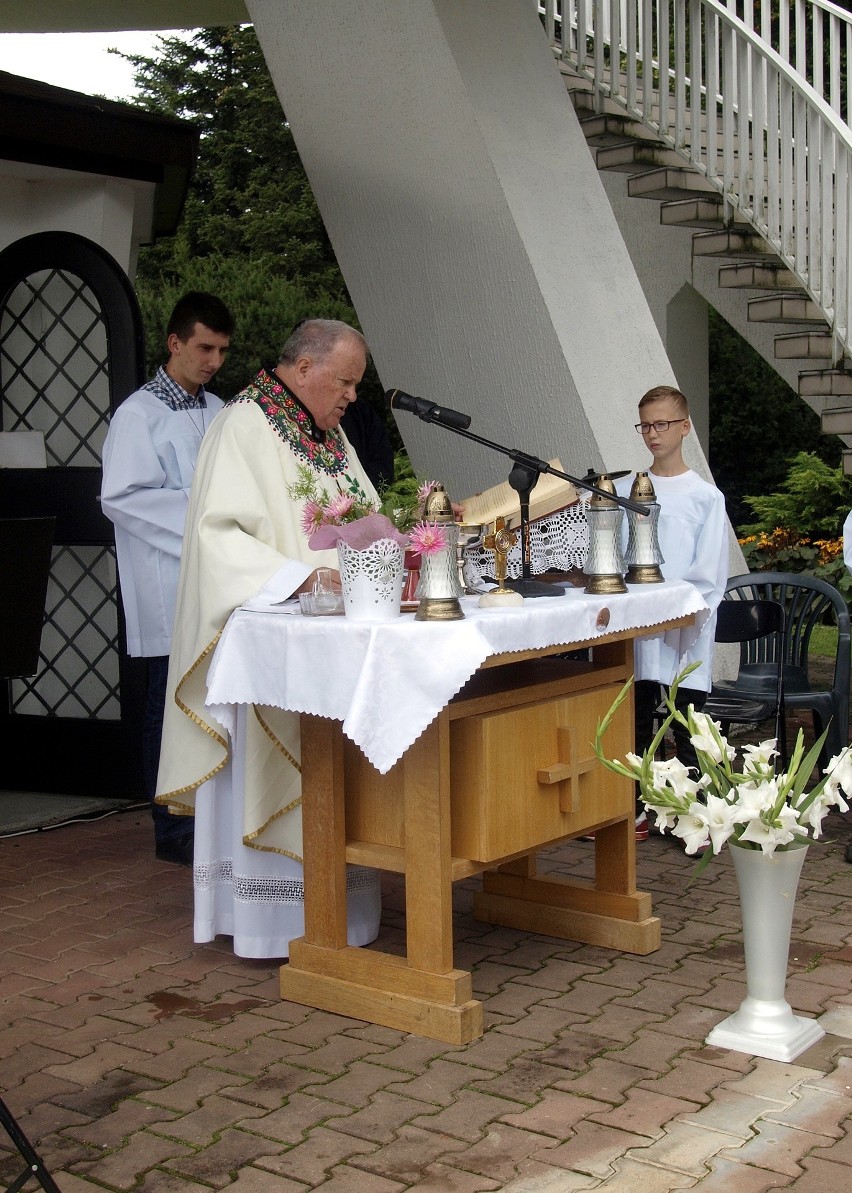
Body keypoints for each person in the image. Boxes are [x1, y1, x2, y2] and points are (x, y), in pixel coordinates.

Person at [155, 319, 382, 958]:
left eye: (356, 385)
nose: (351, 397)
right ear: (304, 367)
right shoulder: (242, 425)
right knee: (273, 763)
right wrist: (298, 576)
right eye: (345, 382)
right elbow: (215, 537)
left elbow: (363, 515)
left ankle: (343, 918)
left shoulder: (329, 436)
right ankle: (269, 928)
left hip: (326, 635)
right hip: (268, 636)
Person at [101, 291, 234, 866]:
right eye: (204, 347)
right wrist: (204, 518)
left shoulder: (217, 409)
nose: (213, 361)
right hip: (169, 576)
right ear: (175, 343)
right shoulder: (138, 415)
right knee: (170, 701)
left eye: (223, 351)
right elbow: (122, 497)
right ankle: (173, 826)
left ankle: (216, 814)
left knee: (213, 699)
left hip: (216, 577)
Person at [616, 385, 728, 839]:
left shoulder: (705, 497)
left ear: (684, 427)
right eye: (645, 425)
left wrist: (676, 607)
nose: (652, 434)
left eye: (662, 424)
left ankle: (697, 813)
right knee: (636, 715)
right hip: (639, 621)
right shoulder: (628, 490)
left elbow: (709, 573)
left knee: (689, 718)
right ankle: (636, 806)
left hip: (685, 622)